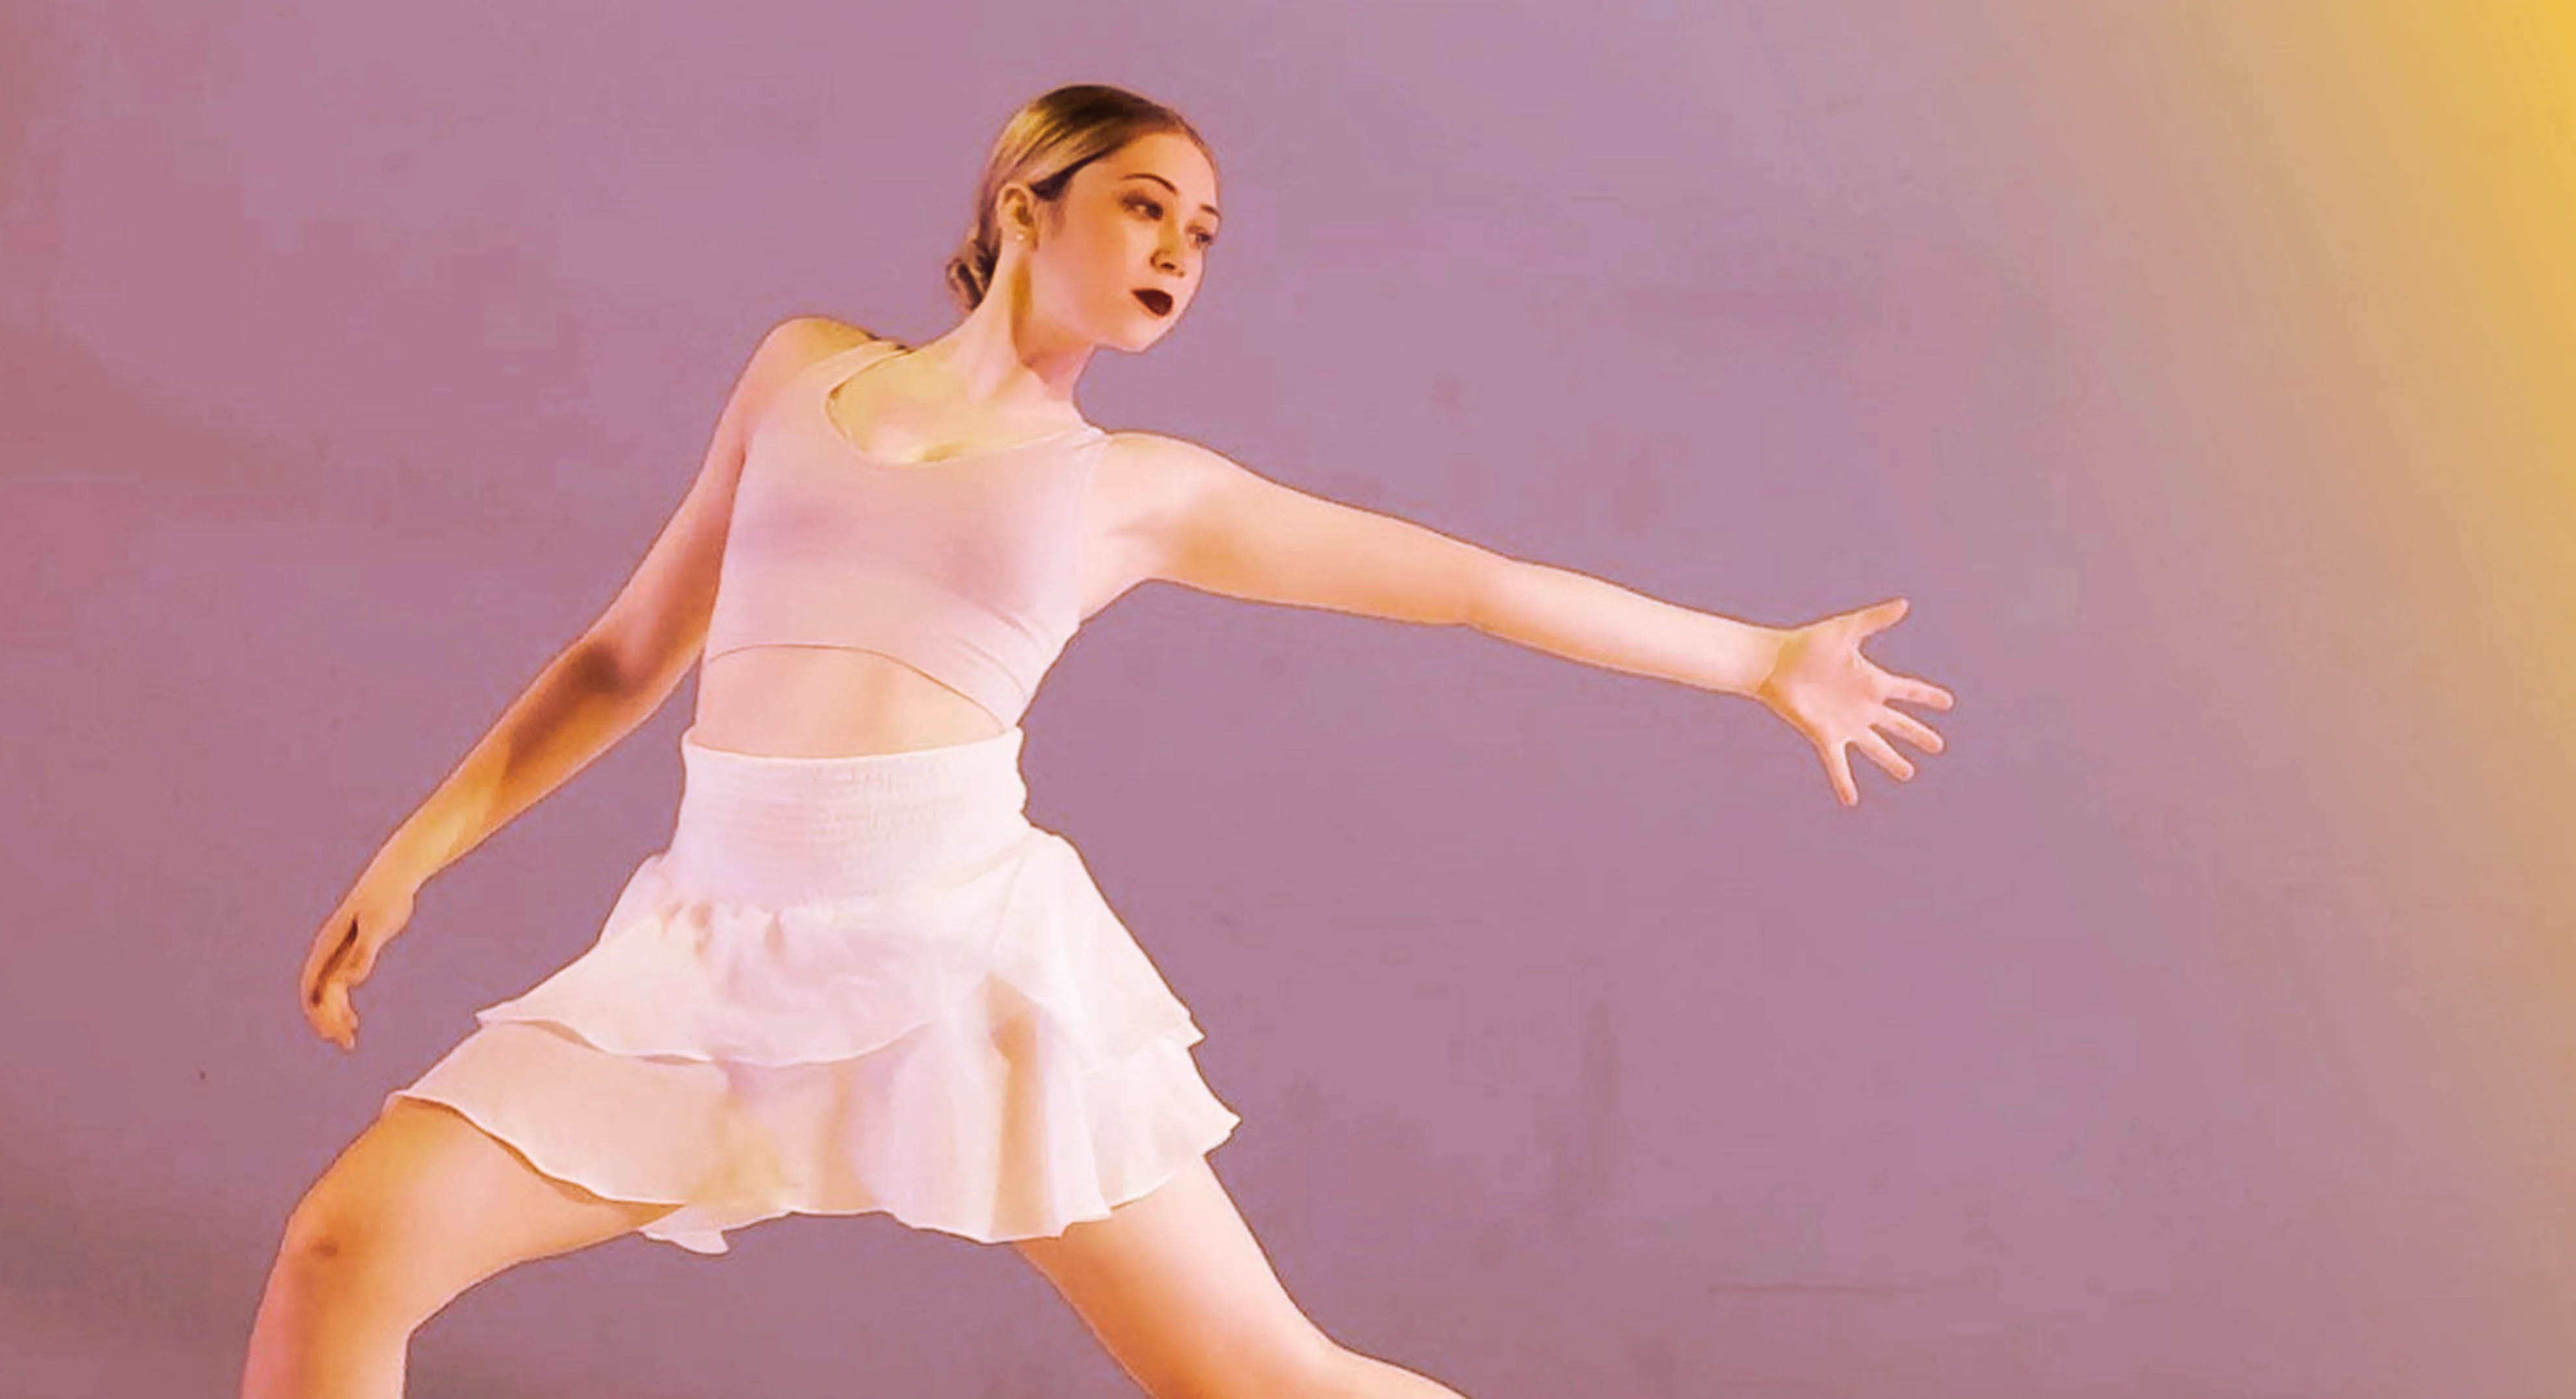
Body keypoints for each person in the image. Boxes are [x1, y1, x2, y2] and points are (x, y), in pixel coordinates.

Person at [239, 82, 1953, 1399]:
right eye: (1145, 208)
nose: (1176, 255)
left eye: (1203, 237)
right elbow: (624, 655)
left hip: (964, 972)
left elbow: (1474, 586)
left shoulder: (1135, 492)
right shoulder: (800, 375)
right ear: (1022, 203)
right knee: (344, 1248)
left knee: (1268, 1379)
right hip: (704, 956)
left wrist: (1758, 655)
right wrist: (417, 849)